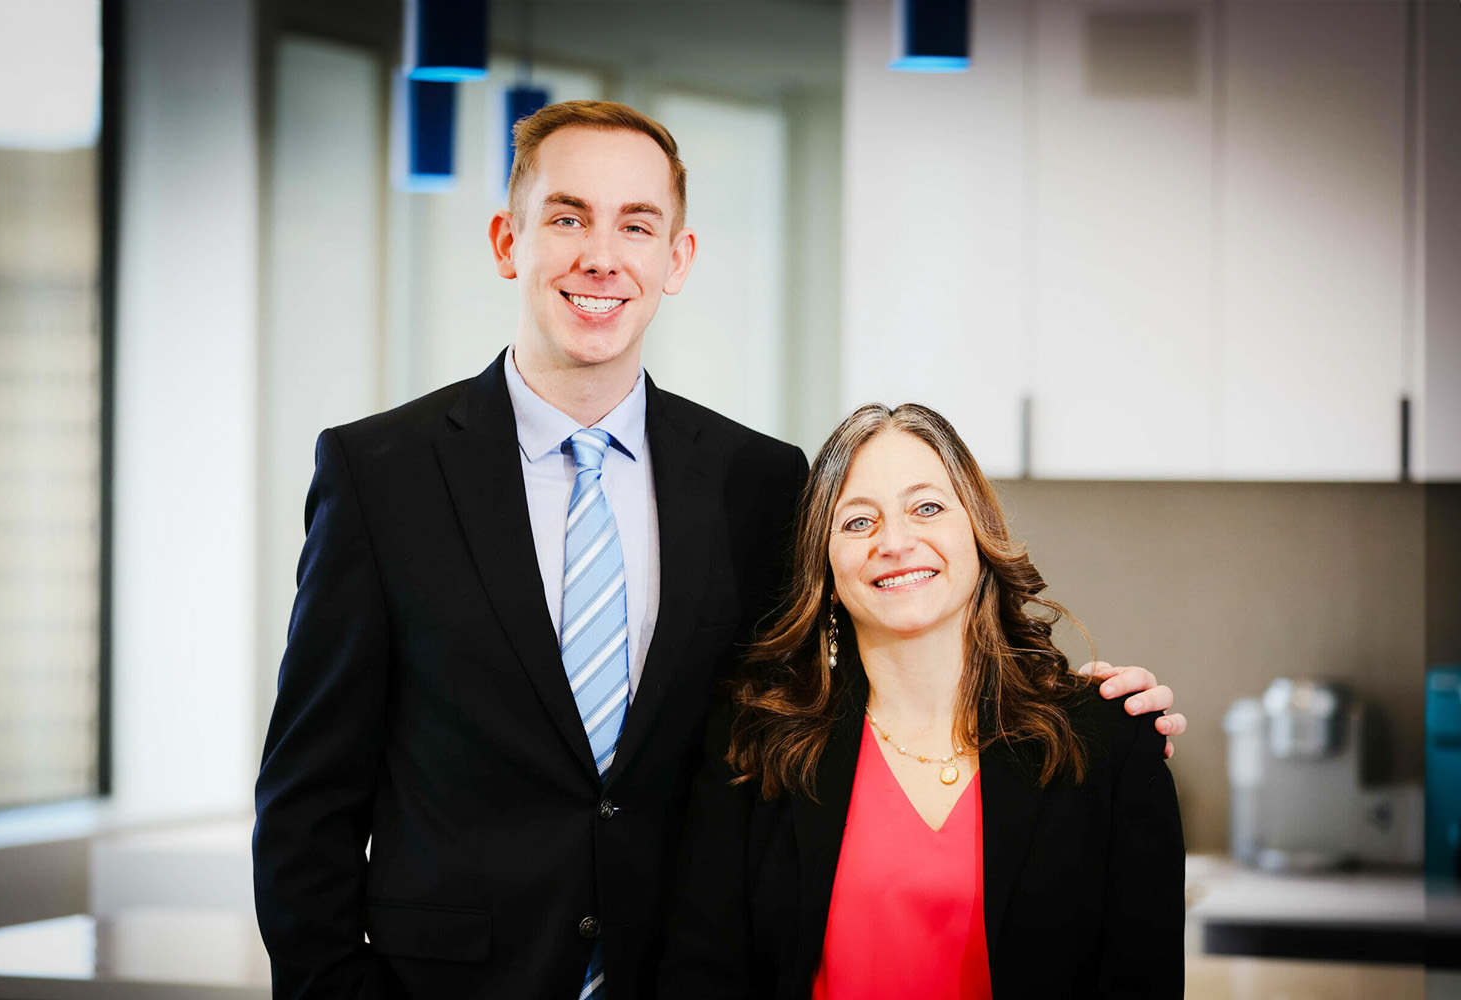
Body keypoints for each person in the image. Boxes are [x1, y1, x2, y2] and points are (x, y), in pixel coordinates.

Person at [252, 101, 1185, 1000]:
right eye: (567, 217)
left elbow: (847, 669)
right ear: (508, 240)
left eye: (637, 225)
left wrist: (1080, 703)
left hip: (683, 970)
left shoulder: (757, 482)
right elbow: (307, 800)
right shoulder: (380, 475)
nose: (602, 256)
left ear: (677, 257)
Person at [659, 402, 1186, 998]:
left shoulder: (1109, 739)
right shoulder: (753, 745)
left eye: (927, 507)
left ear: (977, 533)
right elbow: (700, 977)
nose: (895, 541)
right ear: (826, 572)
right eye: (858, 522)